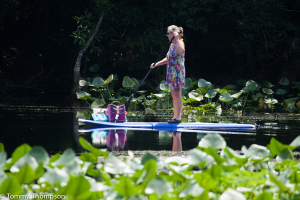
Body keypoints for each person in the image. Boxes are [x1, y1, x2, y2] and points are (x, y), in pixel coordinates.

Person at [150, 25, 185, 123]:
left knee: (178, 95)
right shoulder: (171, 45)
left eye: (168, 33)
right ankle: (174, 117)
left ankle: (178, 118)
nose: (167, 35)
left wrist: (177, 38)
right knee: (174, 96)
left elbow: (181, 51)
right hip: (171, 73)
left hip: (177, 73)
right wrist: (156, 64)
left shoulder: (180, 43)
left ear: (173, 34)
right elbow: (168, 58)